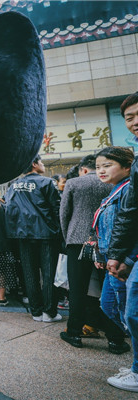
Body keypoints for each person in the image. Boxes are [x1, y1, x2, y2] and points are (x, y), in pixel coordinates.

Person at [58, 154, 128, 353]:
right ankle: (115, 338)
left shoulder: (73, 183)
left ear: (83, 169)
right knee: (109, 288)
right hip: (107, 242)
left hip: (77, 241)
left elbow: (64, 214)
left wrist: (69, 237)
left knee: (77, 289)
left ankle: (73, 332)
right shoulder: (112, 183)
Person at [101, 93, 138, 393]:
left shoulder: (125, 188)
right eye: (129, 117)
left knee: (131, 311)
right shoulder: (115, 191)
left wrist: (125, 256)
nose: (101, 170)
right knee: (118, 308)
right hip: (120, 257)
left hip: (129, 256)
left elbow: (128, 218)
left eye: (108, 165)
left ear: (126, 167)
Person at [5, 155, 63, 322]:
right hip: (46, 234)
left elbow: (10, 210)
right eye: (42, 162)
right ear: (34, 163)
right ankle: (49, 312)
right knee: (49, 273)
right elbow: (56, 208)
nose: (43, 165)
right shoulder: (46, 182)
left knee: (29, 274)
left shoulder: (13, 185)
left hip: (22, 235)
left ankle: (35, 311)